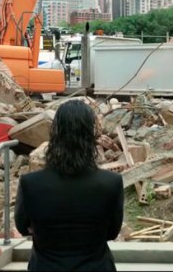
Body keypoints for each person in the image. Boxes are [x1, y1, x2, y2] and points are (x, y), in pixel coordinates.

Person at [15, 100, 124, 271]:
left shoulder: (30, 183)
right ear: (91, 135)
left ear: (55, 133)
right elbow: (112, 233)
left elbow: (23, 228)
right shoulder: (112, 183)